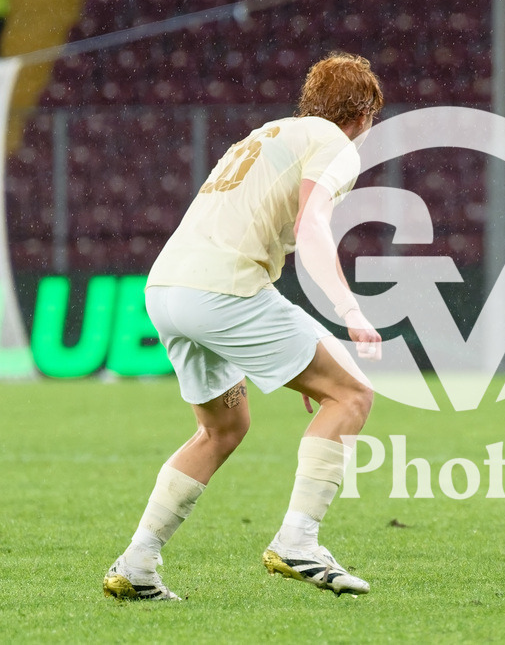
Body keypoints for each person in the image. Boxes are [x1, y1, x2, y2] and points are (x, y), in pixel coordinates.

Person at [103, 52, 384, 600]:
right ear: (363, 113)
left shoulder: (263, 136)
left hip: (168, 289)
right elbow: (312, 224)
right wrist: (349, 311)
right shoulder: (333, 143)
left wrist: (297, 356)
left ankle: (137, 562)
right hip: (223, 290)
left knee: (222, 429)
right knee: (351, 395)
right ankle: (299, 540)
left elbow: (245, 232)